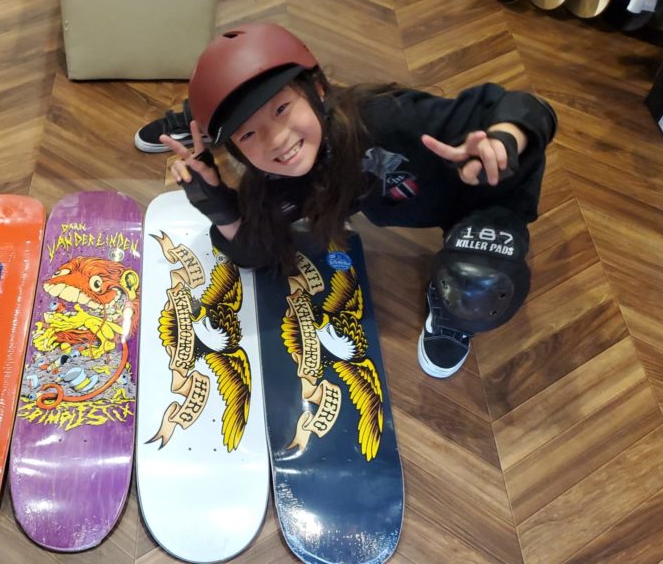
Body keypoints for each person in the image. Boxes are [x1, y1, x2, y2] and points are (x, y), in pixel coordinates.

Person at [140, 23, 557, 379]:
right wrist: (214, 201)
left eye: (282, 108)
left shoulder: (387, 118)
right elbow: (254, 251)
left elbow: (532, 107)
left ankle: (454, 315)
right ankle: (194, 119)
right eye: (248, 133)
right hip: (385, 188)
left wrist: (504, 140)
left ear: (318, 90)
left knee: (477, 286)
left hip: (487, 190)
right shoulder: (284, 175)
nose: (277, 139)